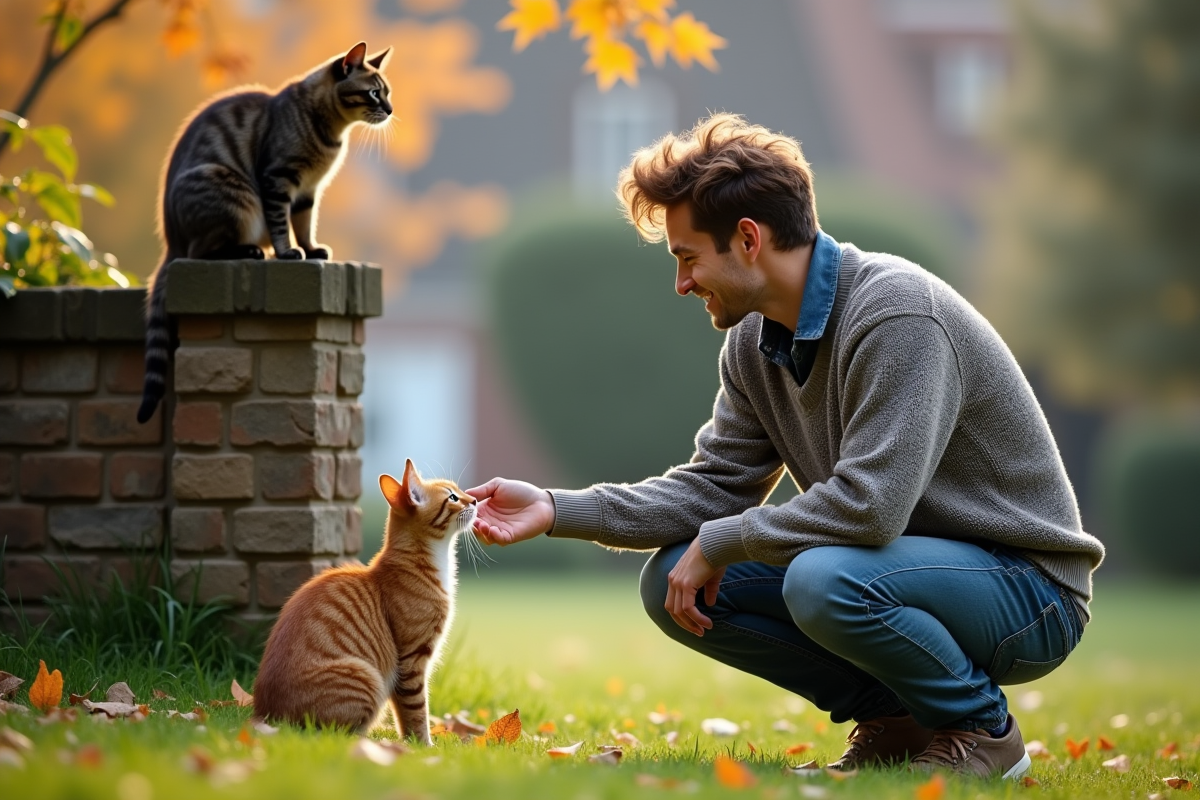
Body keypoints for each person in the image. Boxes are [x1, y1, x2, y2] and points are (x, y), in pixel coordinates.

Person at [467, 113, 1104, 780]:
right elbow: (713, 487)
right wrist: (555, 507)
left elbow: (870, 508)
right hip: (899, 570)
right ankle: (894, 723)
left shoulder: (898, 315)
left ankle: (983, 731)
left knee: (823, 580)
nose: (682, 284)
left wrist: (725, 540)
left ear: (748, 239)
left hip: (1029, 592)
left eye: (688, 258)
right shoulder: (755, 342)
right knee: (672, 579)